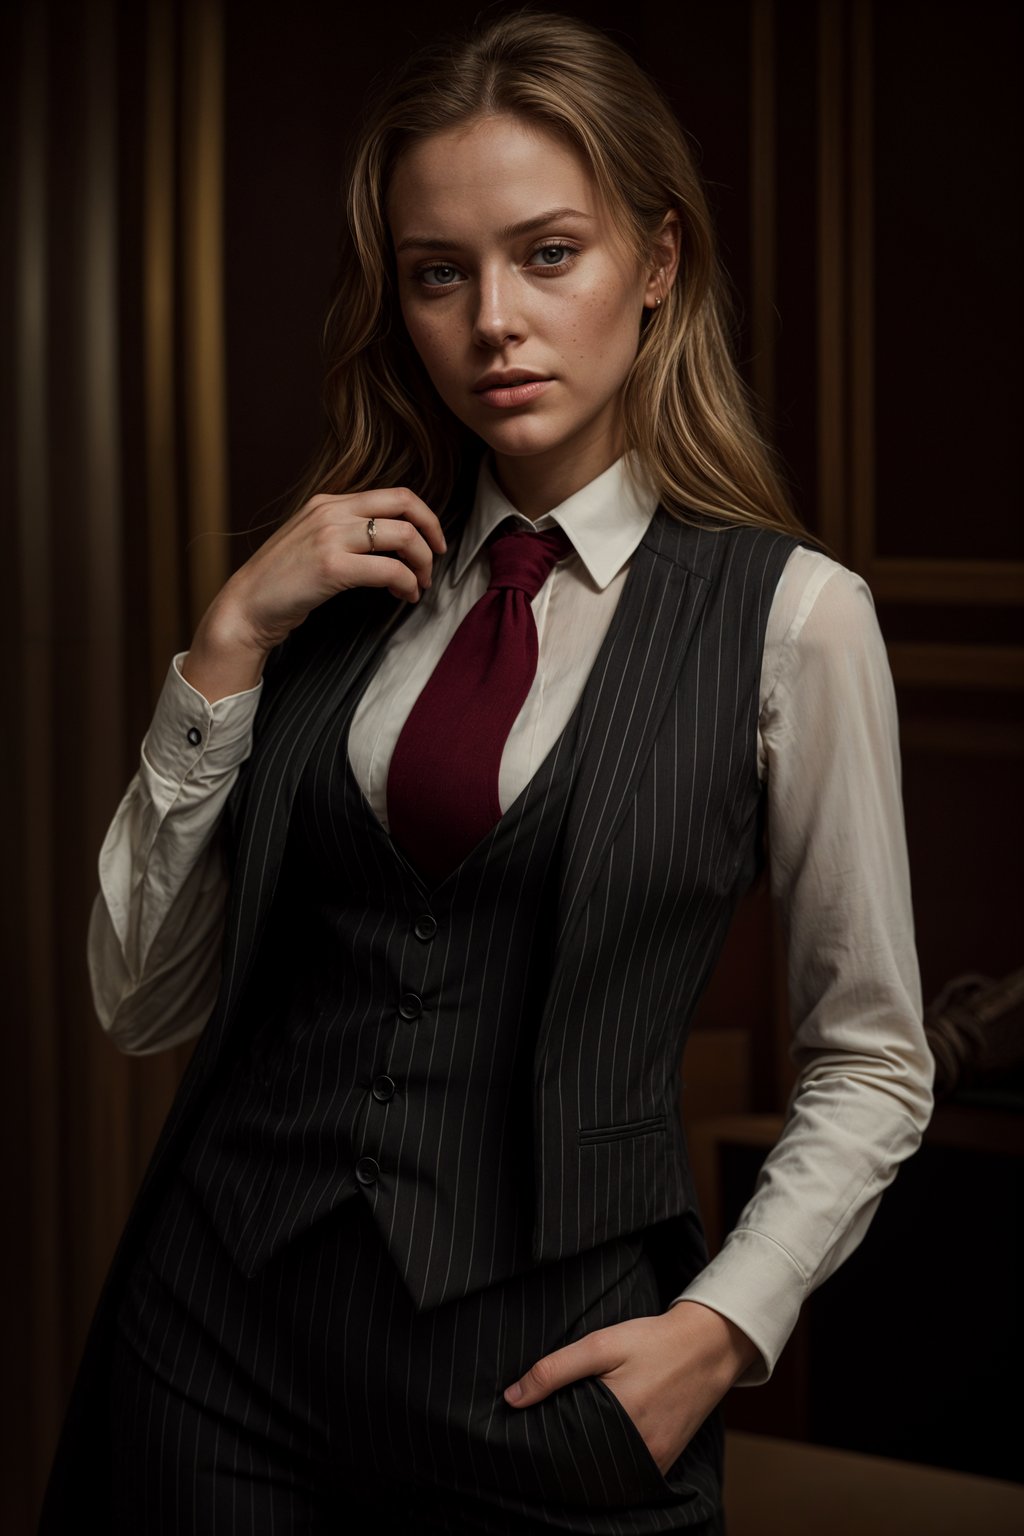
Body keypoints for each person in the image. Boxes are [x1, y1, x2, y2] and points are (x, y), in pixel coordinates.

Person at [39, 8, 935, 1534]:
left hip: (547, 1376)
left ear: (657, 263)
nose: (493, 323)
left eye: (549, 255)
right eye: (439, 273)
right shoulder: (327, 588)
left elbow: (874, 1057)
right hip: (214, 1344)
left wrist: (723, 1332)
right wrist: (227, 643)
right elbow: (139, 1000)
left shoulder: (796, 620)